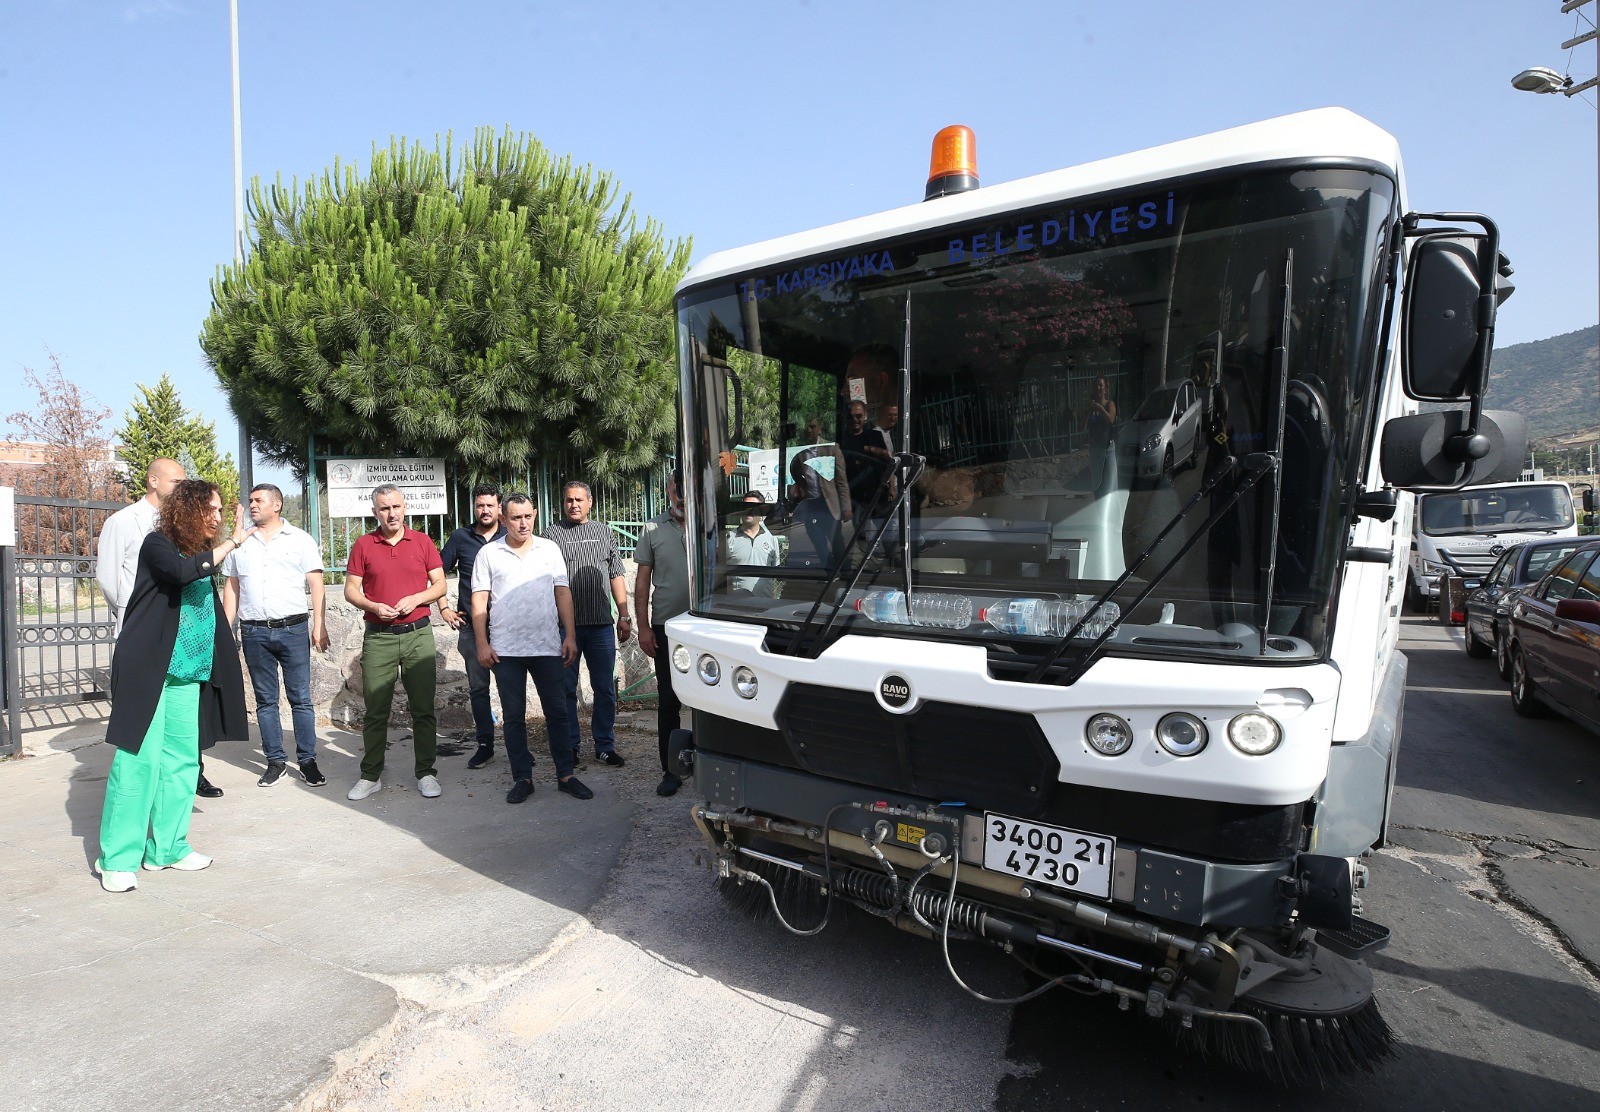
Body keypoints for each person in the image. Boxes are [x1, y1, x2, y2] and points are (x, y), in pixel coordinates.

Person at [95, 481, 251, 892]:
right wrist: (232, 542)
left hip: (188, 671)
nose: (218, 518)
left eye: (220, 511)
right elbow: (182, 573)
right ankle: (117, 859)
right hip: (148, 669)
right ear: (189, 510)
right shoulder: (156, 544)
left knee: (182, 762)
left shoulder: (199, 554)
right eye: (211, 510)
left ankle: (168, 848)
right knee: (138, 762)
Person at [95, 457, 227, 800]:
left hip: (185, 659)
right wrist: (138, 612)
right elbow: (110, 580)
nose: (180, 487)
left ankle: (178, 816)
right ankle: (122, 849)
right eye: (175, 482)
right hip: (145, 637)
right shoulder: (126, 523)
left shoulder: (197, 542)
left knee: (183, 745)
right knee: (141, 745)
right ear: (153, 481)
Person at [471, 493, 586, 803]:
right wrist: (482, 643)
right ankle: (523, 777)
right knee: (514, 716)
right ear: (503, 519)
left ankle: (566, 775)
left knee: (558, 712)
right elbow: (479, 600)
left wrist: (570, 636)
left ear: (535, 515)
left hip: (547, 646)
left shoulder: (549, 550)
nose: (522, 523)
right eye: (515, 518)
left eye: (527, 516)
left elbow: (563, 594)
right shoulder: (489, 554)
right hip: (506, 650)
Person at [343, 485, 447, 801]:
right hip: (378, 637)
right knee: (375, 710)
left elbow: (440, 584)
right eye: (385, 508)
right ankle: (370, 775)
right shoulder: (363, 544)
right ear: (375, 512)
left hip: (418, 635)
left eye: (397, 507)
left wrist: (416, 597)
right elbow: (351, 590)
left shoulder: (423, 541)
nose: (392, 513)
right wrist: (373, 606)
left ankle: (426, 772)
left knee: (423, 708)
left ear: (405, 508)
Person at [222, 483, 329, 788]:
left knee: (301, 699)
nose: (252, 505)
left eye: (258, 500)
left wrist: (318, 624)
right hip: (254, 631)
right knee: (265, 701)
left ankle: (307, 761)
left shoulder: (300, 540)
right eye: (251, 500)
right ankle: (275, 762)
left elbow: (316, 583)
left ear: (277, 505)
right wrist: (227, 629)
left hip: (293, 629)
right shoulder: (240, 542)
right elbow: (232, 586)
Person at [544, 480, 632, 768]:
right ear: (563, 502)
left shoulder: (604, 533)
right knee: (566, 690)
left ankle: (604, 745)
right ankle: (570, 746)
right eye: (569, 500)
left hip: (601, 627)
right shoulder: (550, 535)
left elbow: (616, 575)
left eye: (579, 500)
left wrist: (624, 614)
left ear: (590, 502)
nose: (574, 505)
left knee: (604, 688)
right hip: (564, 629)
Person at [438, 484, 505, 770]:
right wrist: (444, 607)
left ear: (499, 507)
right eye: (480, 505)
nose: (485, 510)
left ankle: (516, 747)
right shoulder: (460, 537)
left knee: (509, 688)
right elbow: (436, 572)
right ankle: (485, 745)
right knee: (478, 689)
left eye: (490, 505)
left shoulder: (510, 535)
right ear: (474, 507)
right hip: (471, 627)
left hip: (507, 626)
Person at [636, 468, 691, 796]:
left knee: (710, 702)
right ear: (669, 489)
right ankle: (670, 771)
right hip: (667, 627)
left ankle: (711, 761)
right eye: (677, 487)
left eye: (689, 487)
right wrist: (643, 627)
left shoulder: (710, 527)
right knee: (669, 699)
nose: (682, 493)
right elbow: (642, 581)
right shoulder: (653, 528)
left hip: (707, 627)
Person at [785, 416, 851, 568]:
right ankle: (829, 572)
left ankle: (846, 572)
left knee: (836, 541)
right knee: (817, 540)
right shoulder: (800, 451)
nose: (809, 430)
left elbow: (841, 480)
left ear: (819, 428)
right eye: (806, 427)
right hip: (811, 503)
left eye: (812, 426)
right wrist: (801, 484)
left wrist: (846, 507)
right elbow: (794, 468)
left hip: (828, 502)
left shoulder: (831, 448)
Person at [727, 490, 779, 596]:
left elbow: (776, 572)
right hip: (737, 606)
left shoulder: (772, 539)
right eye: (745, 506)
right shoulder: (729, 538)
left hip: (765, 606)